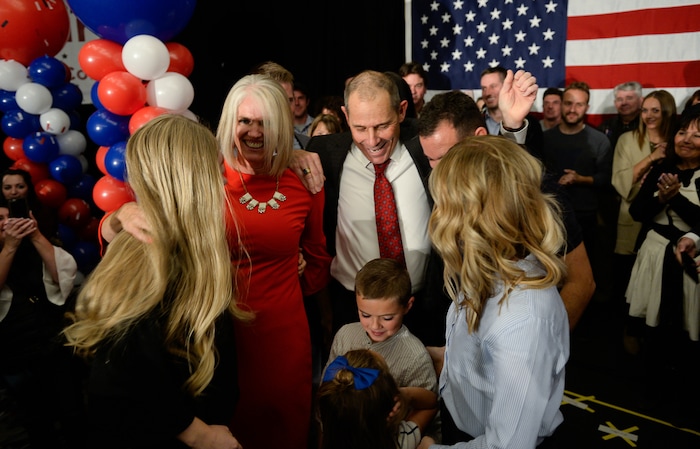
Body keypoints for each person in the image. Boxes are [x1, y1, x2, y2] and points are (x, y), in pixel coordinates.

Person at [63, 114, 248, 448]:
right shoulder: (155, 251)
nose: (223, 180)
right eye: (216, 168)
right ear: (190, 177)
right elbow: (117, 374)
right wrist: (199, 434)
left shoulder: (179, 246)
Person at [423, 136, 569, 448]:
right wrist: (448, 359)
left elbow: (508, 445)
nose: (436, 213)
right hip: (461, 417)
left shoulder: (523, 322)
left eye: (443, 203)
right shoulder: (488, 265)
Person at [416, 87, 594, 332]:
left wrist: (547, 341)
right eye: (430, 159)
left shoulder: (535, 188)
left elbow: (581, 281)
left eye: (446, 156)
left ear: (477, 137)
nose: (437, 170)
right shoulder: (444, 189)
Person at [216, 74, 332, 449]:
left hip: (285, 333)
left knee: (286, 426)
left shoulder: (303, 180)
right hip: (223, 332)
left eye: (265, 122)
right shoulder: (206, 177)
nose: (254, 131)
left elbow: (317, 257)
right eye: (245, 120)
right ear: (229, 122)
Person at [301, 70, 440, 345]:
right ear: (346, 116)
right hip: (352, 310)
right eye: (360, 128)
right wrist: (290, 157)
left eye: (382, 125)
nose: (373, 140)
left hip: (424, 307)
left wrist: (513, 125)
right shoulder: (322, 153)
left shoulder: (426, 146)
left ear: (401, 111)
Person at [624, 104, 700, 408]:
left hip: (689, 261)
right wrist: (660, 197)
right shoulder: (660, 168)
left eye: (697, 134)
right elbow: (637, 211)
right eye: (683, 131)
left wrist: (674, 198)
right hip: (654, 257)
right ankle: (651, 389)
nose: (687, 139)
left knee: (687, 327)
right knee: (651, 324)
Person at [323, 257, 440, 442]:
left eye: (387, 317)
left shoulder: (415, 356)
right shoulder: (345, 335)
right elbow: (327, 389)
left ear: (407, 306)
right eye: (366, 315)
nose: (375, 325)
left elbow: (430, 410)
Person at [0, 198, 81, 449]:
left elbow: (64, 276)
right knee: (36, 421)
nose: (6, 224)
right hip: (15, 354)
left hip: (52, 342)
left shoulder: (34, 246)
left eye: (8, 217)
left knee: (73, 414)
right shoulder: (8, 250)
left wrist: (35, 234)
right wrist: (9, 247)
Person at [611, 90, 678, 352]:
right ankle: (629, 331)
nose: (648, 116)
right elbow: (620, 180)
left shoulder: (678, 141)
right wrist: (651, 158)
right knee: (628, 279)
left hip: (665, 223)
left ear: (667, 113)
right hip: (631, 218)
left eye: (655, 110)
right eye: (645, 110)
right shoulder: (627, 140)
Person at [542, 81, 613, 267]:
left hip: (586, 218)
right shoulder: (545, 139)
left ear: (587, 107)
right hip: (550, 217)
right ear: (561, 104)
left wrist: (580, 179)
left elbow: (606, 178)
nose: (573, 109)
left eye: (579, 104)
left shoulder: (599, 140)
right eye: (568, 103)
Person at [317, 349, 438, 449]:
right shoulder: (401, 440)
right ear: (388, 414)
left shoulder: (329, 427)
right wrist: (405, 394)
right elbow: (431, 405)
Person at [480, 66, 544, 159]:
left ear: (507, 85)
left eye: (493, 86)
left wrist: (514, 125)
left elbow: (538, 162)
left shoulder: (531, 124)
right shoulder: (475, 121)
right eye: (484, 88)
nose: (487, 93)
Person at [251, 60, 311, 149]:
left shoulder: (308, 146)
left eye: (290, 100)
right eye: (279, 101)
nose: (286, 108)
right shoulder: (240, 146)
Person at [2, 168, 58, 241]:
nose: (13, 192)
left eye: (20, 187)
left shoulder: (43, 212)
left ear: (28, 188)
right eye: (7, 188)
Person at [598, 81, 644, 150]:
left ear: (641, 101)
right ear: (615, 103)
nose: (624, 103)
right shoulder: (606, 126)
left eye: (629, 98)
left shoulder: (648, 125)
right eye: (619, 99)